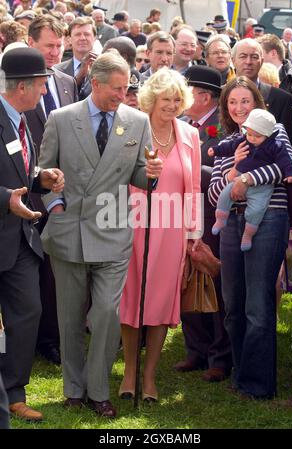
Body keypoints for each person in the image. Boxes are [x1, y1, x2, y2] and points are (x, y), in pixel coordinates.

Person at [38, 52, 163, 418]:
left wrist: (152, 173)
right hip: (70, 233)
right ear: (95, 83)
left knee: (107, 313)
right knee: (71, 317)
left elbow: (140, 176)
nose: (123, 95)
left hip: (113, 233)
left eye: (127, 88)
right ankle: (74, 389)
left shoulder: (137, 122)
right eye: (117, 88)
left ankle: (99, 389)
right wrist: (56, 207)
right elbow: (45, 172)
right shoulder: (62, 119)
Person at [208, 76, 292, 399]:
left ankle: (258, 384)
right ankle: (241, 373)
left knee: (258, 305)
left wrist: (247, 177)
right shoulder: (228, 140)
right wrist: (233, 173)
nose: (239, 108)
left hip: (269, 219)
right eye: (233, 102)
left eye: (245, 101)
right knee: (233, 304)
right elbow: (214, 191)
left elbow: (285, 169)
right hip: (231, 222)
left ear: (257, 103)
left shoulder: (276, 131)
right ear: (226, 107)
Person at [119, 67, 201, 402]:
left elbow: (193, 188)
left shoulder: (189, 134)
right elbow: (117, 177)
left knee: (160, 302)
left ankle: (149, 376)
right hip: (131, 226)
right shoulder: (131, 129)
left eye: (177, 99)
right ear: (151, 100)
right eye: (165, 98)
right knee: (130, 298)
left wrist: (193, 232)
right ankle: (128, 373)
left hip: (171, 233)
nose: (171, 105)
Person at [0, 47, 64, 422]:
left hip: (21, 238)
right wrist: (6, 198)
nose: (45, 92)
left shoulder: (23, 118)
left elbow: (18, 170)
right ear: (21, 85)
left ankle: (13, 392)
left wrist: (41, 179)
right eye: (41, 85)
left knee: (28, 312)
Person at [25, 14, 78, 365]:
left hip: (63, 192)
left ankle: (52, 338)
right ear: (31, 44)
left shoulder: (67, 81)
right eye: (49, 45)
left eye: (59, 45)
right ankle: (29, 338)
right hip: (27, 194)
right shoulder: (13, 83)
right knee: (30, 268)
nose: (55, 51)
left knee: (57, 270)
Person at [174, 65, 232, 381]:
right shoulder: (181, 124)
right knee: (186, 279)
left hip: (212, 218)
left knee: (215, 281)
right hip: (180, 213)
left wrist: (196, 175)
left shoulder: (224, 129)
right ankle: (195, 350)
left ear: (204, 96)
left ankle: (220, 356)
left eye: (185, 91)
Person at [209, 108, 292, 250]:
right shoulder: (243, 139)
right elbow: (228, 147)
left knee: (257, 211)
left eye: (245, 101)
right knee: (225, 195)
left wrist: (290, 174)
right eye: (232, 102)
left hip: (262, 188)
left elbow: (286, 161)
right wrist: (216, 151)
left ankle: (248, 235)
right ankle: (220, 219)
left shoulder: (276, 142)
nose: (252, 138)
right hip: (234, 204)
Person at [231, 38, 292, 152]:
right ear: (233, 60)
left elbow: (288, 152)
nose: (248, 61)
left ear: (262, 61)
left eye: (254, 57)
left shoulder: (281, 99)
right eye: (243, 56)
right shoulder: (220, 95)